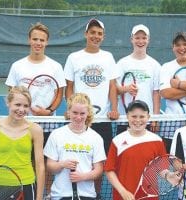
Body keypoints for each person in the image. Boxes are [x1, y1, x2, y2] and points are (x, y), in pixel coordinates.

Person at [63, 18, 119, 198]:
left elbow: (112, 86)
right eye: (92, 32)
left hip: (101, 119)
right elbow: (69, 87)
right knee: (76, 158)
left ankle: (94, 194)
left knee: (99, 162)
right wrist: (69, 108)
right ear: (86, 34)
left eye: (99, 34)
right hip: (79, 119)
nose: (96, 36)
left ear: (103, 37)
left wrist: (115, 109)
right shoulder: (74, 57)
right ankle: (73, 193)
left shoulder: (108, 57)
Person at [0, 86, 45, 200]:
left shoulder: (36, 130)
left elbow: (40, 166)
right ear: (8, 103)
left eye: (26, 106)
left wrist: (39, 197)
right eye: (17, 104)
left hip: (27, 185)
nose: (21, 110)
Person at [43, 93, 106, 200]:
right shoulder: (56, 134)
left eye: (82, 113)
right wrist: (62, 164)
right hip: (60, 195)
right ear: (68, 112)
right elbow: (50, 166)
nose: (78, 117)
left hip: (87, 195)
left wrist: (83, 177)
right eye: (75, 113)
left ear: (88, 113)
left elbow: (99, 170)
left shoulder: (96, 138)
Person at [104, 100, 167, 200]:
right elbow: (109, 170)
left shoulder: (157, 140)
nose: (138, 120)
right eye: (134, 116)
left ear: (148, 117)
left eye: (142, 116)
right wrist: (123, 191)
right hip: (122, 197)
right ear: (127, 117)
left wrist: (169, 176)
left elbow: (162, 169)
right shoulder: (117, 141)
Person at [5, 22, 66, 116]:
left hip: (47, 123)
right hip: (22, 122)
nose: (38, 43)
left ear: (47, 42)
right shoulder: (16, 66)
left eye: (42, 40)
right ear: (29, 40)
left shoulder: (56, 67)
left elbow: (59, 95)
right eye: (35, 39)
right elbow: (11, 94)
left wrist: (48, 111)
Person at [115, 24, 161, 134]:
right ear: (132, 39)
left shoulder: (155, 65)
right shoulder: (122, 63)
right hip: (124, 119)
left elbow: (156, 93)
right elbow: (115, 89)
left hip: (146, 120)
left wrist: (155, 119)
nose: (141, 41)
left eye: (144, 38)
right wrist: (126, 89)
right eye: (137, 38)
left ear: (148, 40)